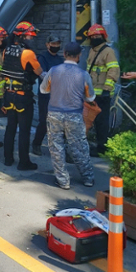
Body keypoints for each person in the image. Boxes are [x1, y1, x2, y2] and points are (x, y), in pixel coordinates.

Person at [41, 42, 96, 190]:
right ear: (79, 56)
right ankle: (88, 178)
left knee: (56, 147)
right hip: (74, 115)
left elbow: (44, 90)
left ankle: (63, 181)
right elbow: (90, 97)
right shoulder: (84, 75)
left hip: (54, 114)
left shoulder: (53, 71)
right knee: (80, 147)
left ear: (64, 54)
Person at [0, 22, 42, 170]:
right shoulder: (28, 54)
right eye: (30, 36)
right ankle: (24, 162)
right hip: (23, 98)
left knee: (11, 127)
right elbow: (39, 72)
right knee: (24, 130)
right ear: (22, 36)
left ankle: (8, 158)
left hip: (9, 96)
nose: (32, 39)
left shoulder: (6, 51)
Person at [85, 24, 120, 156]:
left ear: (103, 36)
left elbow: (114, 70)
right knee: (90, 120)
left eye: (97, 36)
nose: (95, 38)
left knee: (101, 122)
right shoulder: (92, 51)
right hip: (92, 93)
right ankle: (96, 145)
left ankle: (102, 148)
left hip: (103, 94)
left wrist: (107, 89)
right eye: (92, 36)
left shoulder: (108, 52)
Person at [32, 35, 64, 156]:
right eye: (53, 44)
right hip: (45, 95)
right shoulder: (42, 58)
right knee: (44, 121)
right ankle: (36, 144)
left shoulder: (60, 60)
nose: (56, 46)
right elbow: (43, 75)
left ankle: (58, 149)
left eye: (57, 44)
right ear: (47, 45)